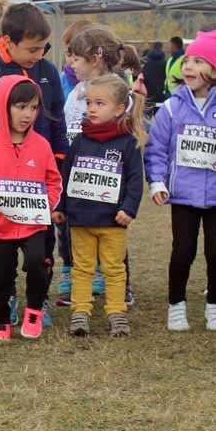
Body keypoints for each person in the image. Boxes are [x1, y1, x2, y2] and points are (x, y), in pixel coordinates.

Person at [145, 29, 216, 332]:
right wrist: (158, 182)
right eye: (187, 60)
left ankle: (215, 304)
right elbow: (157, 147)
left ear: (215, 70)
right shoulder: (172, 107)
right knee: (183, 250)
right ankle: (176, 305)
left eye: (198, 61)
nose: (188, 67)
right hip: (183, 195)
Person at [0, 3, 68, 325]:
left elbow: (57, 120)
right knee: (1, 253)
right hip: (3, 182)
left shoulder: (48, 72)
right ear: (8, 42)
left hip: (39, 176)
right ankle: (8, 298)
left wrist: (58, 160)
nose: (38, 55)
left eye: (43, 48)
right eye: (32, 49)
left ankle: (38, 302)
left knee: (40, 249)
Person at [0, 75, 61, 340]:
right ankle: (0, 319)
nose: (28, 114)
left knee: (37, 262)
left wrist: (46, 206)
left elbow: (53, 180)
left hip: (33, 223)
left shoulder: (41, 145)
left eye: (33, 108)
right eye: (21, 107)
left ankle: (34, 310)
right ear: (3, 106)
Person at [56, 74, 145, 337]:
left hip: (112, 221)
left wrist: (128, 209)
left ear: (119, 109)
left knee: (114, 270)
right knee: (81, 269)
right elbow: (66, 175)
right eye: (89, 103)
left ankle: (117, 313)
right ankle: (80, 312)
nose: (91, 108)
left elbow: (135, 180)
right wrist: (60, 206)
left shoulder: (128, 142)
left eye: (99, 103)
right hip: (80, 220)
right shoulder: (79, 141)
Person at [59, 25, 126, 305]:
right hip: (77, 174)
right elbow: (66, 128)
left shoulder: (121, 92)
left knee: (112, 231)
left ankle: (120, 284)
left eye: (76, 58)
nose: (71, 64)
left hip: (108, 176)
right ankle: (73, 273)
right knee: (72, 228)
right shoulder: (75, 92)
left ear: (95, 57)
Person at [142, 41, 167, 107]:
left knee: (147, 114)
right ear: (161, 48)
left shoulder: (145, 61)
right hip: (161, 93)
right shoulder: (165, 62)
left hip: (147, 92)